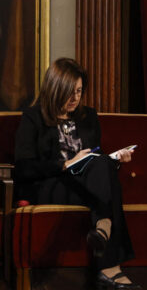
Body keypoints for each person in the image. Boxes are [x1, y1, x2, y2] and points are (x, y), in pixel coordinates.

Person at [14, 57, 140, 289]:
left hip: (86, 185)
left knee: (103, 163)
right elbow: (23, 168)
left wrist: (116, 161)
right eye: (69, 92)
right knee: (107, 183)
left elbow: (94, 161)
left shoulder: (88, 117)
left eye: (79, 92)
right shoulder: (33, 118)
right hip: (52, 186)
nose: (75, 98)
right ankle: (110, 265)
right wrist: (64, 164)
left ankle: (103, 229)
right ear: (54, 89)